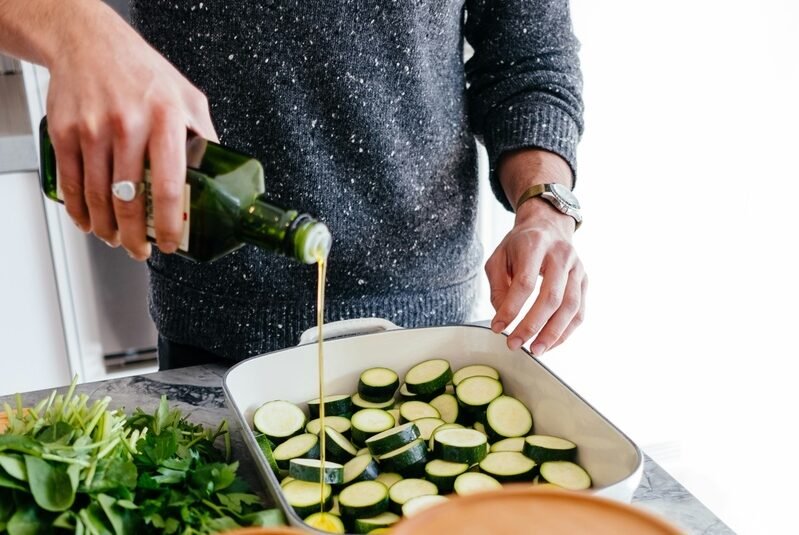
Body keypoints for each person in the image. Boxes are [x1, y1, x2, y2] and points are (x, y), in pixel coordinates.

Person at [0, 0, 587, 370]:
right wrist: (76, 26)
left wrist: (544, 206)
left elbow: (528, 57)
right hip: (215, 330)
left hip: (429, 324)